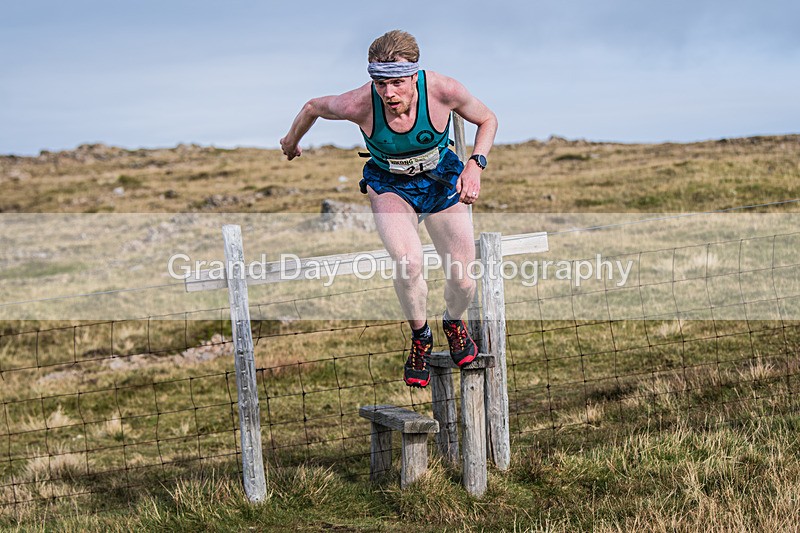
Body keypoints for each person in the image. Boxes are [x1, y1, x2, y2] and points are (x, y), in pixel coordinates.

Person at [280, 30, 498, 388]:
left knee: (463, 280)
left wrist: (475, 164)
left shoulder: (444, 91)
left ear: (415, 75)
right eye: (380, 83)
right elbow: (312, 107)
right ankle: (421, 337)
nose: (388, 93)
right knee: (409, 262)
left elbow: (488, 119)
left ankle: (453, 322)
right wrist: (291, 142)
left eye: (397, 82)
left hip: (441, 178)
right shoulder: (360, 104)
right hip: (389, 183)